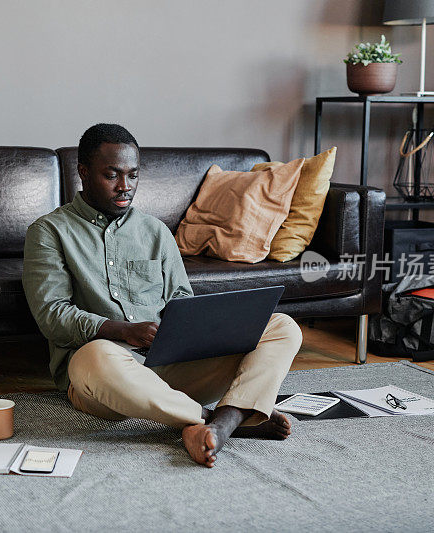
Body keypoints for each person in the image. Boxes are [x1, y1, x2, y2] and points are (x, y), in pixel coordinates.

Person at [22, 123, 303, 467]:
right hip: (109, 377)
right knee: (93, 357)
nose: (125, 187)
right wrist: (121, 331)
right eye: (111, 175)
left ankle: (218, 424)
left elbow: (182, 301)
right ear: (83, 172)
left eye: (132, 175)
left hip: (175, 366)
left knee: (282, 325)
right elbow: (52, 316)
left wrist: (200, 329)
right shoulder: (48, 231)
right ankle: (223, 420)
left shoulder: (155, 231)